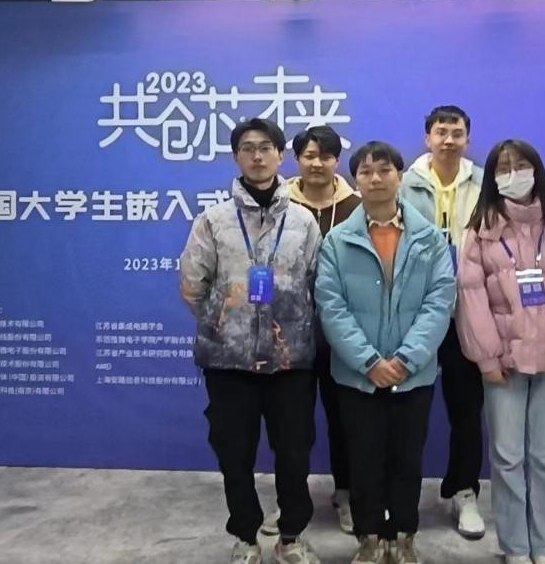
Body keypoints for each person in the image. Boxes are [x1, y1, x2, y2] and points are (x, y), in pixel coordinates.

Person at [180, 118, 325, 564]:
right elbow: (192, 285)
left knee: (294, 454)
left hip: (291, 360)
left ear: (281, 155)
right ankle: (245, 537)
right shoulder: (213, 220)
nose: (257, 156)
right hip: (229, 362)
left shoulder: (303, 220)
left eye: (266, 147)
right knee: (234, 454)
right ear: (236, 157)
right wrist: (227, 324)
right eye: (247, 148)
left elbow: (317, 283)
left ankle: (291, 537)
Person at [454, 139, 545, 564]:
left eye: (521, 165)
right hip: (503, 363)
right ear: (492, 178)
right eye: (503, 168)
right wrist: (487, 357)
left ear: (537, 170)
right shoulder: (481, 229)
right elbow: (470, 296)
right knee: (506, 458)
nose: (513, 175)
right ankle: (516, 548)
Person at [316, 141, 456, 564]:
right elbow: (331, 306)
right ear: (355, 180)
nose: (375, 179)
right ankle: (369, 538)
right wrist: (369, 362)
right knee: (363, 460)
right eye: (365, 171)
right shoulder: (337, 241)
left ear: (400, 176)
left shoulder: (429, 238)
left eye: (384, 170)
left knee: (407, 460)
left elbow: (440, 301)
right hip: (357, 376)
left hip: (413, 374)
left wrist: (407, 359)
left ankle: (404, 536)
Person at [261, 126, 362, 537]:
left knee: (346, 420)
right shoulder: (277, 204)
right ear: (296, 159)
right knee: (292, 426)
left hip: (344, 334)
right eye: (308, 155)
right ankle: (290, 504)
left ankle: (348, 494)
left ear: (337, 161)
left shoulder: (357, 206)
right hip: (288, 335)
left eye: (325, 156)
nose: (317, 163)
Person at [398, 105, 487, 540]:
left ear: (467, 138)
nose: (448, 140)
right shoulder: (404, 183)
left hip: (468, 313)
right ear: (427, 138)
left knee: (467, 411)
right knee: (405, 412)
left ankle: (463, 490)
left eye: (457, 132)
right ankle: (399, 495)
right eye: (441, 132)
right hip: (415, 315)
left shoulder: (487, 184)